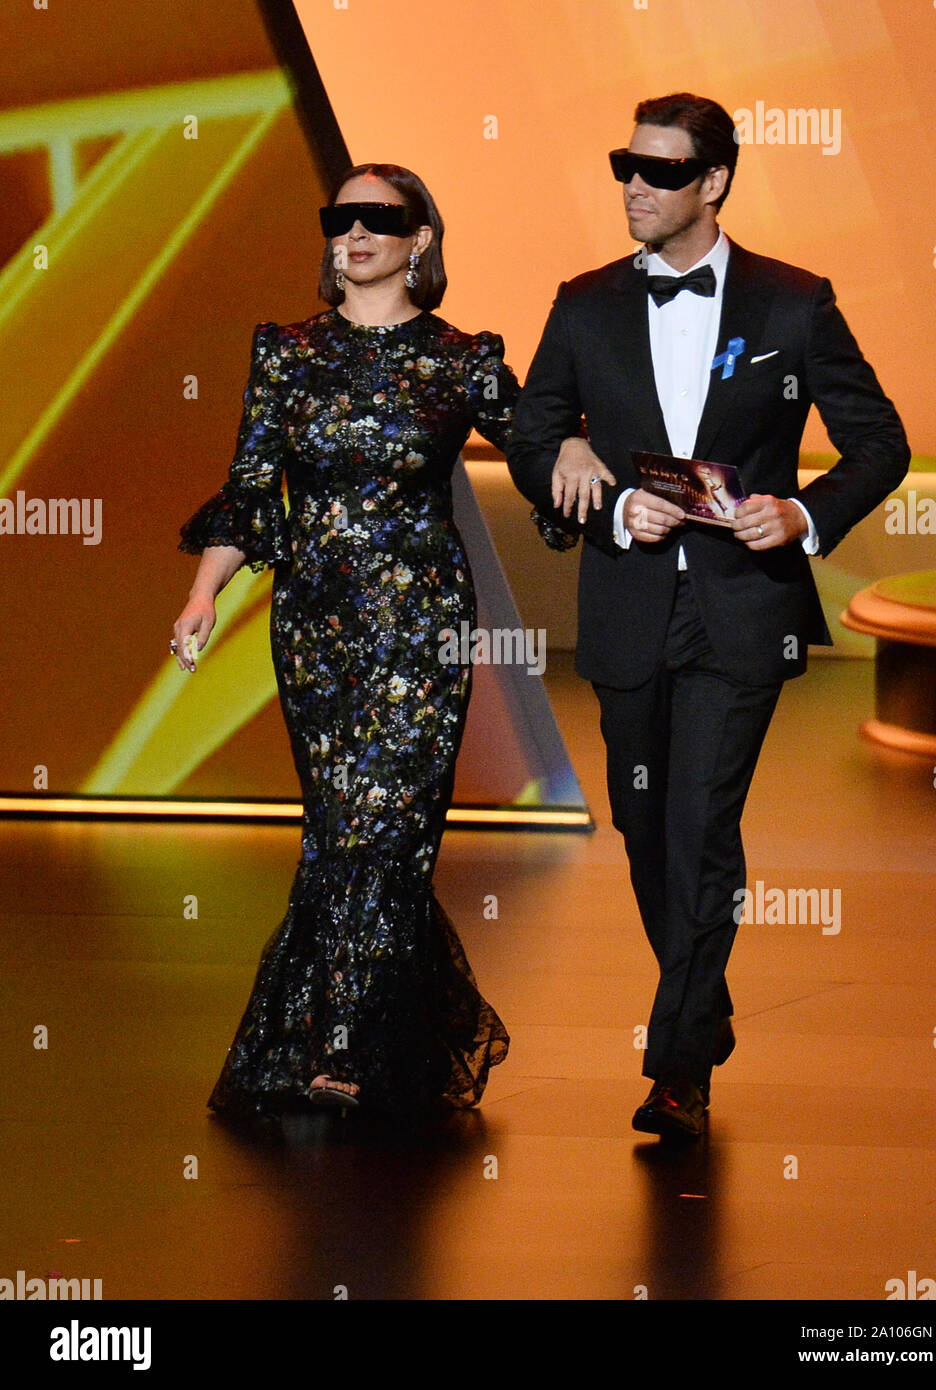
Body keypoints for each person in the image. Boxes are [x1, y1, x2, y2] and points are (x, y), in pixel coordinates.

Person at [506, 93, 909, 1139]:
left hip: (740, 612)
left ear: (713, 183)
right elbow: (532, 430)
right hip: (629, 599)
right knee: (645, 830)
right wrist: (575, 470)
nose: (634, 186)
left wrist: (803, 514)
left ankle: (676, 1062)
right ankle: (703, 997)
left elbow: (878, 442)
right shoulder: (584, 303)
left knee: (699, 826)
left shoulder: (791, 304)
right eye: (624, 166)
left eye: (659, 171)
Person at [173, 163, 517, 1126]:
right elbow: (250, 485)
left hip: (422, 626)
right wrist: (204, 593)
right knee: (338, 826)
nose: (356, 231)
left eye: (382, 217)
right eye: (342, 216)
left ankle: (344, 1045)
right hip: (316, 622)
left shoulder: (464, 358)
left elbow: (541, 449)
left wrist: (602, 470)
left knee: (392, 827)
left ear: (421, 241)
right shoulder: (285, 352)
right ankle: (380, 1031)